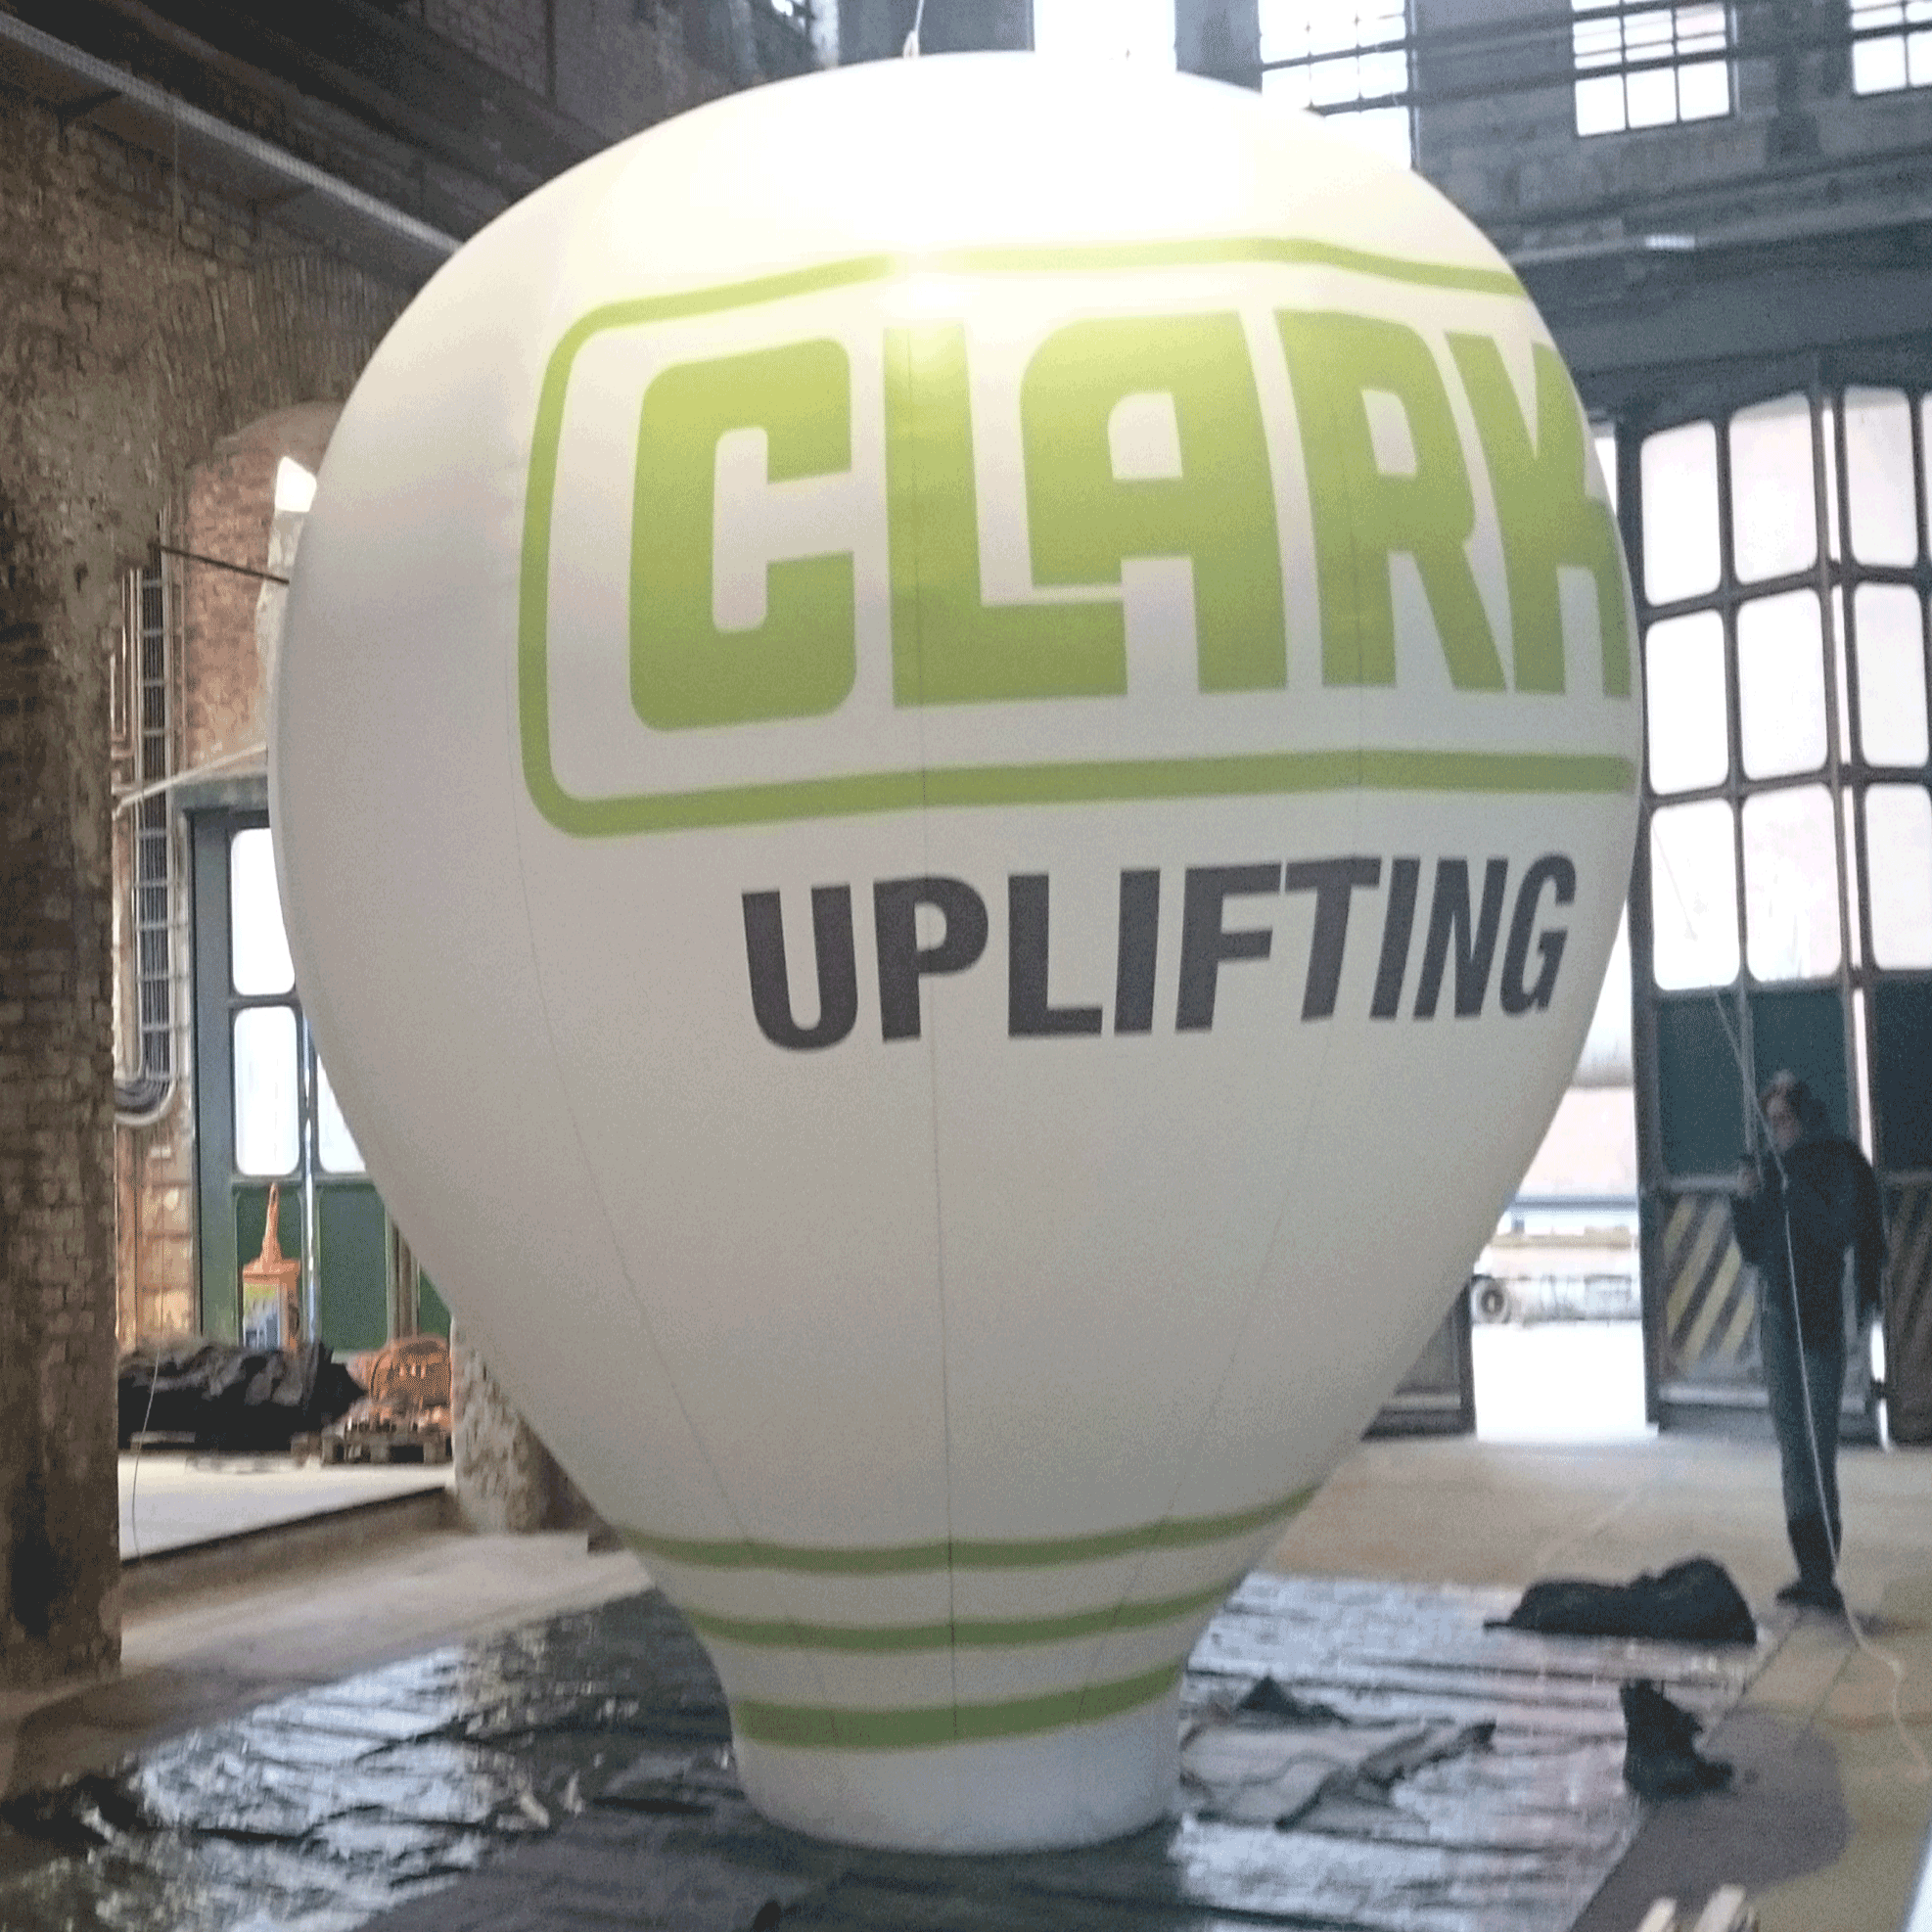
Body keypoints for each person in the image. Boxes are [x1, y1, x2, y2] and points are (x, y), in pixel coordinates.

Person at [1731, 1071, 1886, 1613]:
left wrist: (1793, 1193)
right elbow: (1754, 1250)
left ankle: (1825, 1572)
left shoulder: (1836, 1163)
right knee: (1792, 1448)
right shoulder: (1772, 1171)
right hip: (1777, 1320)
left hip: (1820, 1322)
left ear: (1804, 1118)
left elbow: (1840, 1230)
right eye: (1770, 1122)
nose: (1776, 1131)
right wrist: (1745, 1201)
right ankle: (1807, 1570)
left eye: (1783, 1121)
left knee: (1819, 1449)